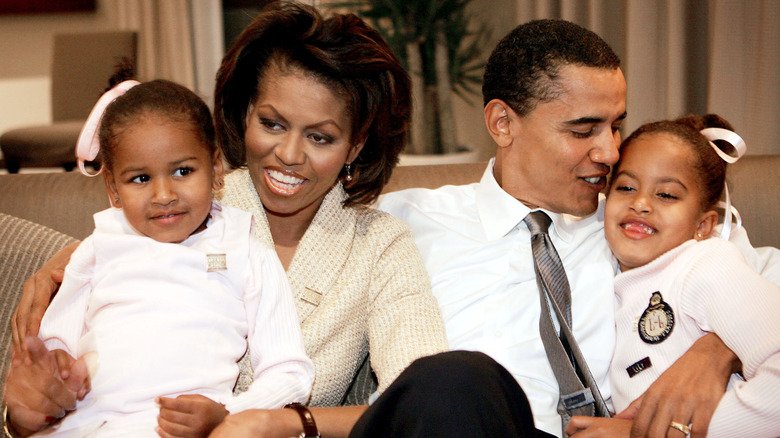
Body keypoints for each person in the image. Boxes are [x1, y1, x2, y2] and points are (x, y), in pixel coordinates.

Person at [6, 2, 448, 437]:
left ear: (354, 147)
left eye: (320, 136)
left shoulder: (378, 246)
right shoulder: (176, 203)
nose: (290, 156)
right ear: (243, 114)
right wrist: (28, 407)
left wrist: (273, 421)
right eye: (272, 124)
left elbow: (423, 401)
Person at [379, 19, 779, 438]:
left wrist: (718, 348)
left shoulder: (640, 225)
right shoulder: (405, 220)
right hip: (460, 422)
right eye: (584, 130)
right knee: (456, 379)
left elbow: (761, 291)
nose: (610, 152)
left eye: (616, 126)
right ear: (503, 123)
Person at [7, 76, 314, 437]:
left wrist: (229, 414)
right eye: (140, 179)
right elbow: (56, 341)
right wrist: (52, 374)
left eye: (183, 171)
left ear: (216, 170)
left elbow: (290, 373)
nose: (164, 194)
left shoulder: (245, 251)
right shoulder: (97, 248)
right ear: (113, 189)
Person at [567, 114, 780, 438]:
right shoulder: (610, 286)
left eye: (666, 195)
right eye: (626, 187)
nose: (640, 203)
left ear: (704, 225)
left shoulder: (706, 263)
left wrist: (660, 433)